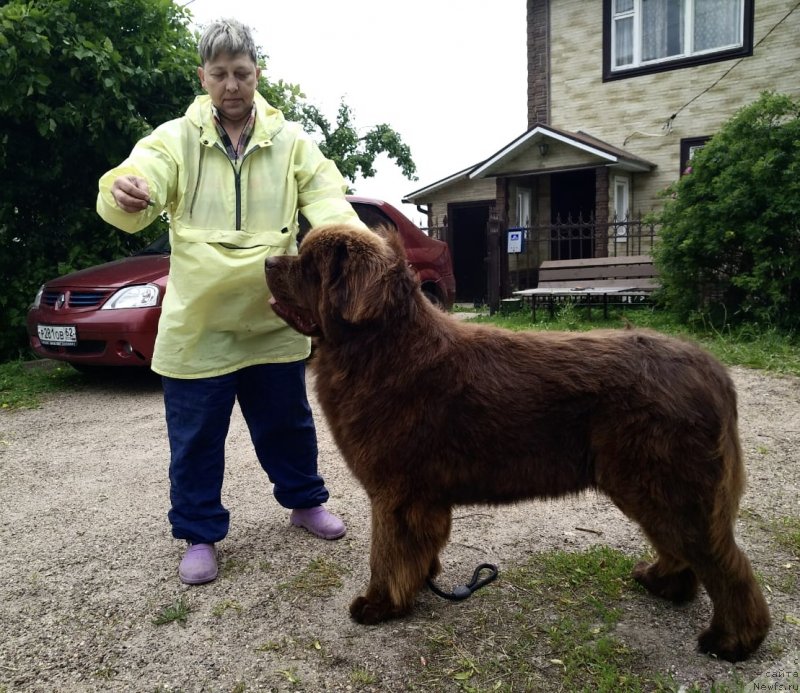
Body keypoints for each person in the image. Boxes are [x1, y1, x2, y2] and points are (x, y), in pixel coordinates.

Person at [97, 18, 367, 585]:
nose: (231, 85)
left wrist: (358, 247)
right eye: (219, 74)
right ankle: (199, 533)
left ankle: (304, 503)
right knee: (195, 440)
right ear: (203, 77)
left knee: (288, 425)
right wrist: (126, 190)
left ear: (256, 74)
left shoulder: (291, 141)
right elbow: (141, 176)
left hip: (273, 318)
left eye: (241, 73)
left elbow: (328, 199)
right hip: (199, 326)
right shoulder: (175, 137)